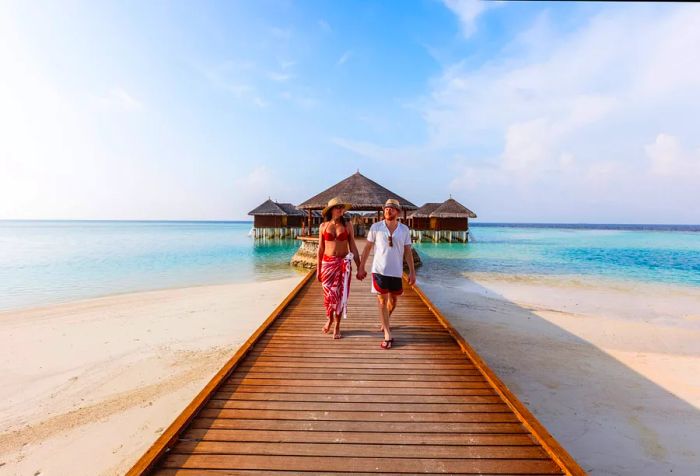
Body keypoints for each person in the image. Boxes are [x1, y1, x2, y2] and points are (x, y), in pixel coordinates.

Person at [357, 199, 416, 349]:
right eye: (386, 208)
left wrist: (412, 272)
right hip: (379, 271)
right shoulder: (376, 227)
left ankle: (385, 321)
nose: (388, 211)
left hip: (396, 271)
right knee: (382, 301)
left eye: (392, 208)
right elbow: (367, 248)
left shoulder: (404, 230)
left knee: (393, 302)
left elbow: (408, 252)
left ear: (398, 212)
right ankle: (387, 334)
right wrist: (361, 267)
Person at [317, 197, 361, 339]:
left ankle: (337, 324)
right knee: (328, 296)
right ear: (331, 210)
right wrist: (318, 269)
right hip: (327, 265)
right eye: (338, 207)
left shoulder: (348, 225)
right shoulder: (323, 226)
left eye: (342, 207)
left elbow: (353, 246)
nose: (341, 209)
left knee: (341, 296)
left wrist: (360, 266)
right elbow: (320, 249)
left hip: (343, 265)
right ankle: (329, 318)